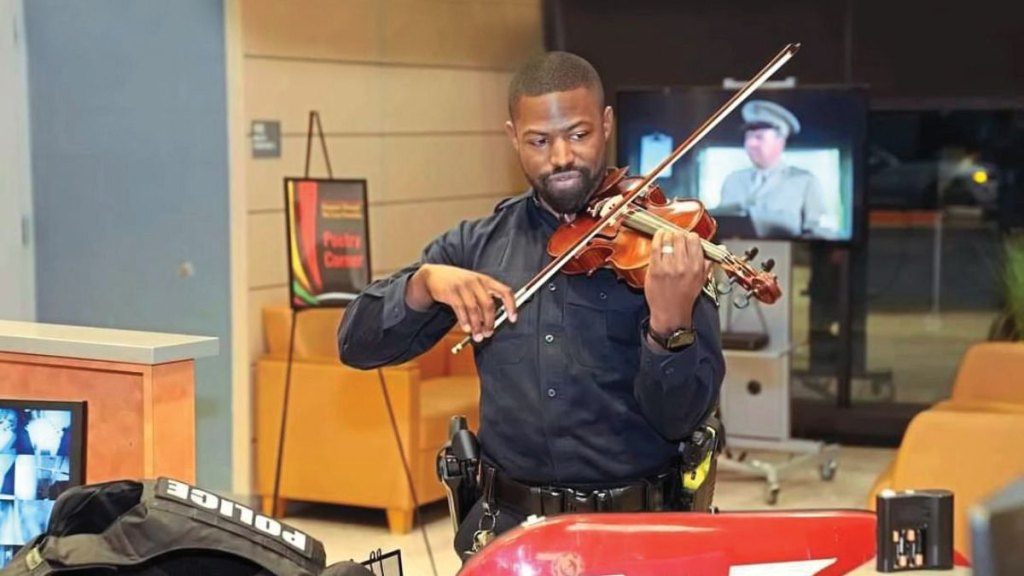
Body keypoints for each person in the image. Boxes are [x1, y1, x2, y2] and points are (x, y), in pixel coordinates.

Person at [337, 51, 725, 560]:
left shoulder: (663, 247)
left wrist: (669, 326)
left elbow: (681, 419)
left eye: (579, 135)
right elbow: (355, 345)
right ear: (513, 137)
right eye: (539, 141)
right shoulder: (477, 246)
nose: (561, 156)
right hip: (509, 535)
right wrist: (422, 284)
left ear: (606, 124)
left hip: (639, 534)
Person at [718, 99, 832, 238]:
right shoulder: (733, 180)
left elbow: (821, 233)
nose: (751, 143)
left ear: (780, 141)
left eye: (759, 137)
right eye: (748, 137)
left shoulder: (805, 181)